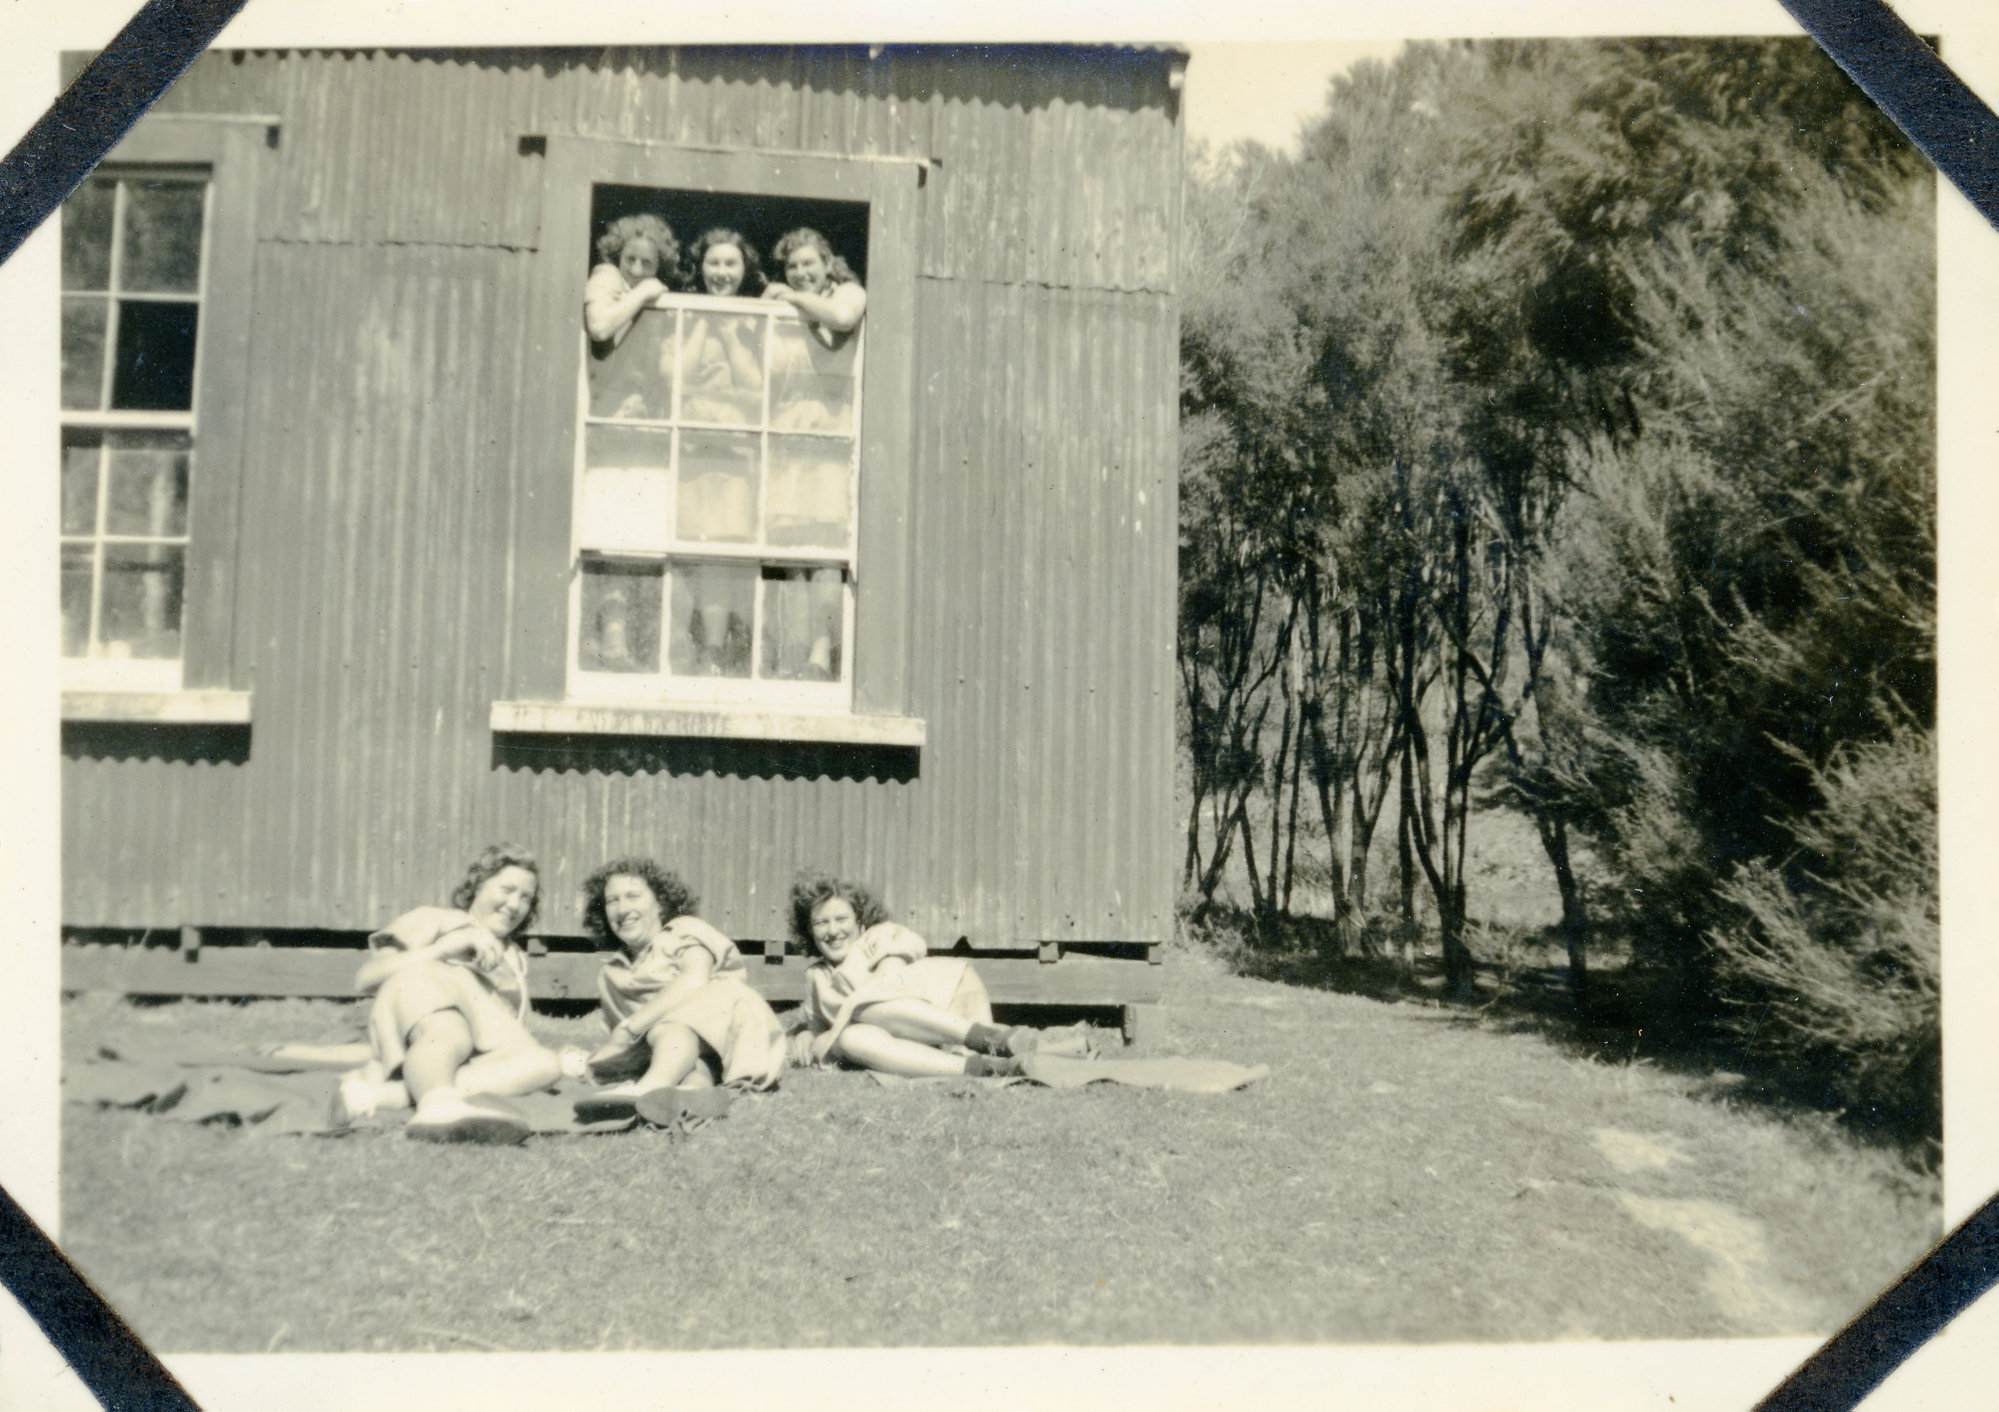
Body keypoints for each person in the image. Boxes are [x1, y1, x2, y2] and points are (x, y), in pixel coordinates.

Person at [332, 845, 575, 1144]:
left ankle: (389, 1095)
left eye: (525, 898)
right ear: (477, 886)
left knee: (545, 1064)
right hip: (429, 1019)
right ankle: (436, 1104)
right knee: (451, 1030)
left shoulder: (514, 959)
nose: (514, 905)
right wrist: (443, 949)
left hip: (471, 1057)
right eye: (507, 889)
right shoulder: (436, 919)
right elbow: (366, 978)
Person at [790, 874, 1040, 1079]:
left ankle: (991, 1039)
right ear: (809, 930)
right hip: (912, 1037)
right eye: (821, 923)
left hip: (950, 1001)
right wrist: (806, 1035)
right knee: (849, 1038)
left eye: (841, 919)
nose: (833, 931)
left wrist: (827, 1039)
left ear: (860, 922)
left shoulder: (876, 938)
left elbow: (896, 971)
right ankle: (985, 1069)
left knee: (861, 1007)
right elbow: (819, 1027)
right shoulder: (816, 976)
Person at [583, 859, 787, 1102]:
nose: (623, 908)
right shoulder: (612, 973)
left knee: (670, 1029)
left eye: (633, 896)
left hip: (730, 1027)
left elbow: (695, 978)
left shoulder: (680, 932)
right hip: (684, 1051)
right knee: (688, 1064)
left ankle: (649, 1090)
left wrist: (631, 1027)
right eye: (612, 900)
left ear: (659, 903)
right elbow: (622, 1044)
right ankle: (693, 1094)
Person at [679, 227, 766, 424]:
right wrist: (704, 319)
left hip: (740, 437)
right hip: (690, 434)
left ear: (745, 268)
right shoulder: (682, 316)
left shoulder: (756, 321)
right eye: (713, 263)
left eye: (730, 264)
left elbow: (755, 390)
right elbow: (677, 381)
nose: (721, 272)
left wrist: (729, 337)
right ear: (701, 267)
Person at [584, 213, 676, 349]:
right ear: (618, 256)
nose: (636, 270)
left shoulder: (656, 291)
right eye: (630, 259)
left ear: (659, 267)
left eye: (646, 263)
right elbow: (599, 328)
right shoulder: (607, 275)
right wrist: (643, 292)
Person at [762, 227, 867, 343]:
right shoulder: (782, 298)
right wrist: (765, 302)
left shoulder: (850, 290)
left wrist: (794, 297)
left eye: (808, 264)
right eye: (792, 266)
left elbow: (843, 318)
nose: (800, 273)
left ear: (827, 265)